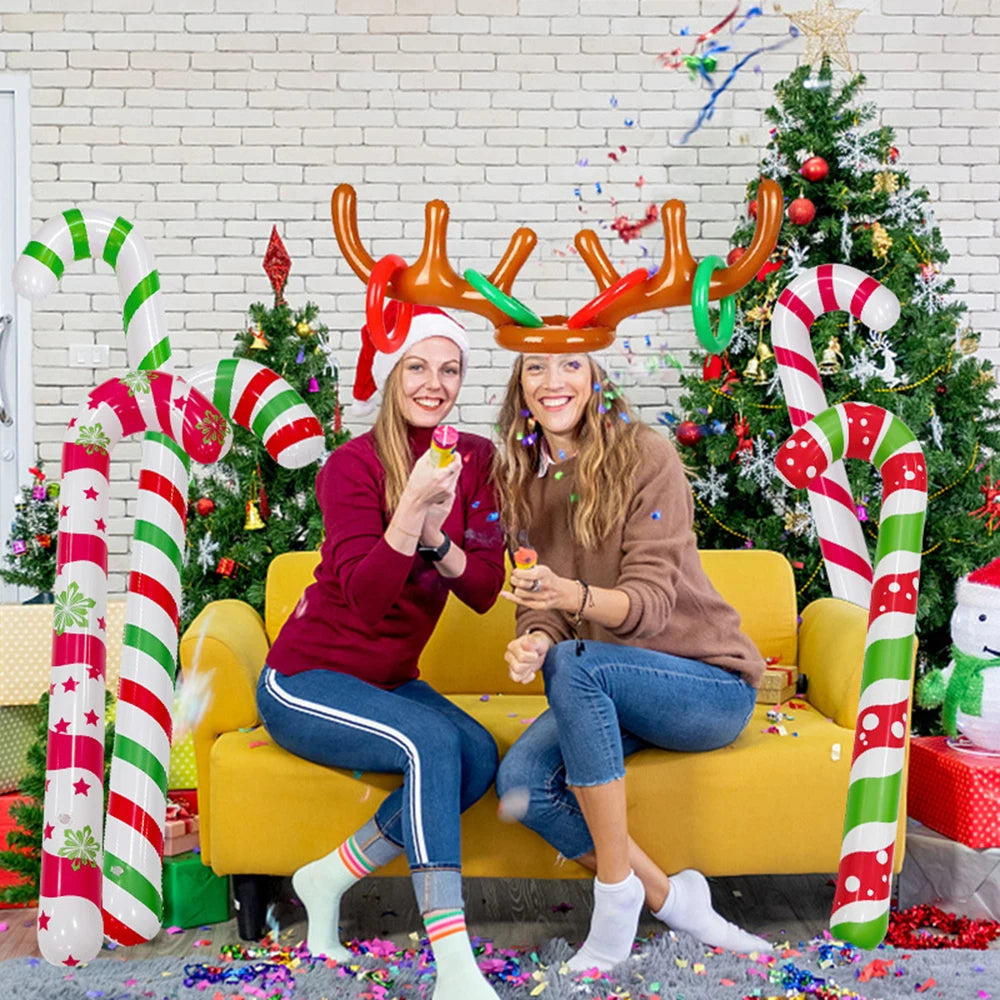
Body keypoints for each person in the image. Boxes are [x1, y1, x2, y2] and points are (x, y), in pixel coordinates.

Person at [493, 351, 773, 971]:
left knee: (577, 663)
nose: (552, 383)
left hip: (706, 685)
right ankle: (673, 899)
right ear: (519, 384)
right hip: (604, 680)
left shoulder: (648, 456)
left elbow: (649, 602)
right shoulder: (519, 477)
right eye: (535, 368)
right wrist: (536, 637)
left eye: (570, 364)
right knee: (522, 786)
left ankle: (614, 899)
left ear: (596, 377)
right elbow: (541, 604)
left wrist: (571, 604)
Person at [257, 305, 506, 1000]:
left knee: (478, 756)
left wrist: (435, 537)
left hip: (389, 679)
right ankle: (454, 966)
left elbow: (485, 588)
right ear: (393, 374)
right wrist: (409, 513)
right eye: (419, 367)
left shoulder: (478, 462)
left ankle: (329, 875)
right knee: (431, 741)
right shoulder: (350, 468)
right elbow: (366, 599)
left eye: (450, 369)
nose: (435, 384)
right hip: (305, 679)